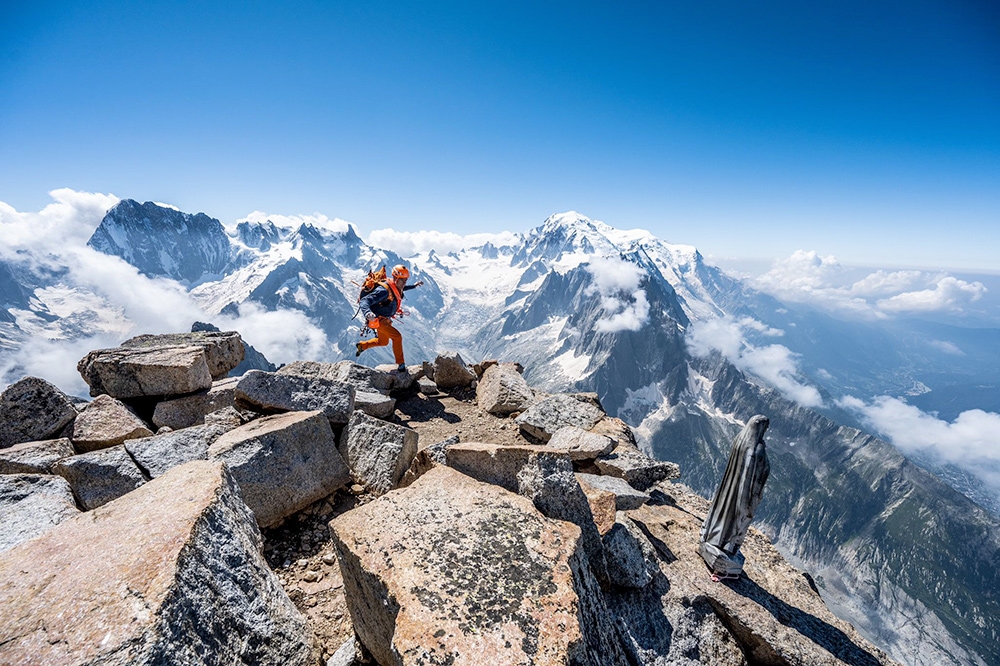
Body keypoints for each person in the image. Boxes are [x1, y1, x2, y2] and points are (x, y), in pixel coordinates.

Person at [355, 264, 423, 372]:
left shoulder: (396, 286)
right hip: (379, 320)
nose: (404, 282)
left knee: (383, 342)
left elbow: (402, 288)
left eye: (406, 280)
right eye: (402, 280)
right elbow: (365, 301)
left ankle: (362, 346)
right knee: (397, 337)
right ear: (395, 278)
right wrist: (368, 313)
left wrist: (414, 286)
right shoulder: (384, 291)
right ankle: (401, 364)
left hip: (385, 320)